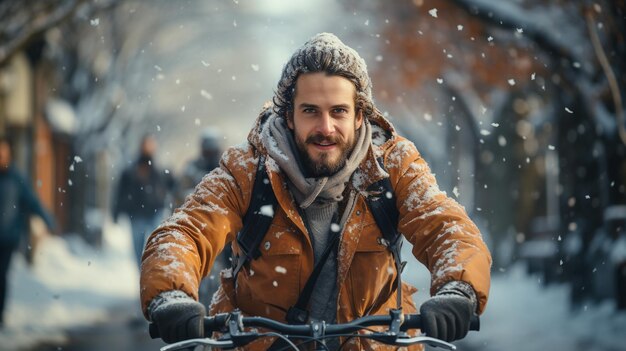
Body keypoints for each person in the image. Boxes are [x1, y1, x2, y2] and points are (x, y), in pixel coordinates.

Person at [140, 33, 491, 350]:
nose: (326, 128)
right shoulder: (248, 169)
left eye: (339, 111)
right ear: (289, 116)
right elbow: (184, 231)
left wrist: (457, 288)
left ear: (359, 117)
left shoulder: (392, 166)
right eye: (310, 111)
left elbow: (447, 227)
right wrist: (171, 294)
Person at [0, 137, 55, 328]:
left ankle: (0, 315)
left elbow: (32, 202)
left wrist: (48, 220)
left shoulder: (16, 179)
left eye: (3, 151)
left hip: (8, 237)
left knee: (1, 275)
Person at [176, 128, 231, 308]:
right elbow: (179, 198)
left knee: (225, 273)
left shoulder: (227, 166)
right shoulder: (193, 168)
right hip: (200, 228)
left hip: (225, 230)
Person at [113, 134, 175, 268]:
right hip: (136, 214)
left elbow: (172, 186)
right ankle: (143, 276)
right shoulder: (130, 170)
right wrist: (116, 212)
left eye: (151, 144)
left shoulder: (160, 170)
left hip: (155, 213)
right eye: (146, 144)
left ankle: (153, 274)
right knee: (137, 249)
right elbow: (120, 191)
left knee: (156, 246)